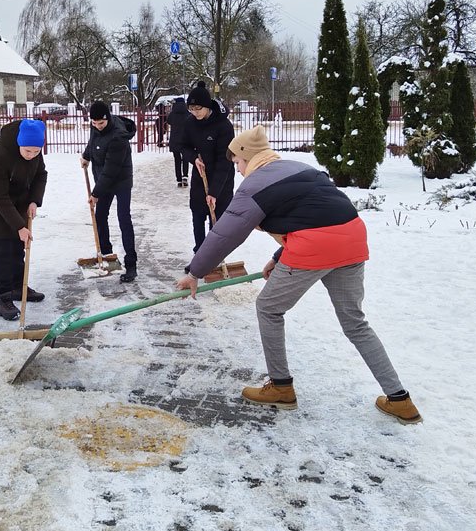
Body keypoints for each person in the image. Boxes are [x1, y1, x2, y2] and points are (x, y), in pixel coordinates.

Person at [175, 125, 422, 425]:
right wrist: (280, 257)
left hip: (315, 246)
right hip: (352, 238)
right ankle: (400, 400)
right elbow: (310, 213)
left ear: (248, 157)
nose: (238, 171)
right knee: (355, 322)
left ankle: (280, 387)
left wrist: (195, 271)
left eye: (238, 163)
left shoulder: (254, 185)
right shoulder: (299, 168)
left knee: (268, 308)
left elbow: (227, 233)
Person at [0, 118, 48, 320]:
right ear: (19, 142)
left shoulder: (34, 148)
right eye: (28, 151)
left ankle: (19, 287)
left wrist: (34, 200)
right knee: (3, 248)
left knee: (19, 245)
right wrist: (19, 225)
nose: (31, 155)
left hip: (20, 198)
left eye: (36, 152)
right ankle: (3, 296)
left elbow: (40, 175)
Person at [80, 101, 138, 283]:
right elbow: (93, 142)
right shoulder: (96, 126)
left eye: (101, 123)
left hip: (120, 180)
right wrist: (86, 156)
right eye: (94, 123)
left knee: (123, 218)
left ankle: (131, 264)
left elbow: (111, 170)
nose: (97, 126)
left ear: (108, 119)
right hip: (103, 180)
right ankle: (106, 255)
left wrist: (96, 193)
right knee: (100, 217)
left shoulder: (118, 137)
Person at [182, 80, 235, 252]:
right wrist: (193, 159)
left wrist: (214, 192)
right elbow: (183, 146)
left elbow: (225, 160)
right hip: (200, 176)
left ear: (207, 106)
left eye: (198, 108)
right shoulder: (190, 123)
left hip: (221, 180)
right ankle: (199, 254)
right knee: (197, 216)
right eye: (191, 109)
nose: (195, 112)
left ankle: (214, 256)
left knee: (217, 223)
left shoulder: (224, 126)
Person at [166, 97, 190, 188]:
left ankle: (179, 179)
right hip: (185, 140)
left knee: (177, 160)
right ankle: (185, 176)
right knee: (186, 158)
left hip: (175, 140)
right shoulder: (188, 114)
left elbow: (168, 121)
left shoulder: (172, 114)